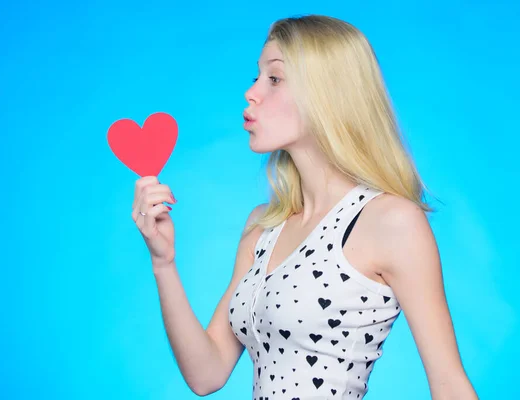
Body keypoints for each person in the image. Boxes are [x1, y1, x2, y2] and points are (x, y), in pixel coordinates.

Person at [131, 14, 478, 400]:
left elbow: (449, 383)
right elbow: (206, 374)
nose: (252, 92)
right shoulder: (262, 226)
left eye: (274, 79)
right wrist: (163, 262)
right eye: (256, 77)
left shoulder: (391, 222)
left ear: (327, 94)